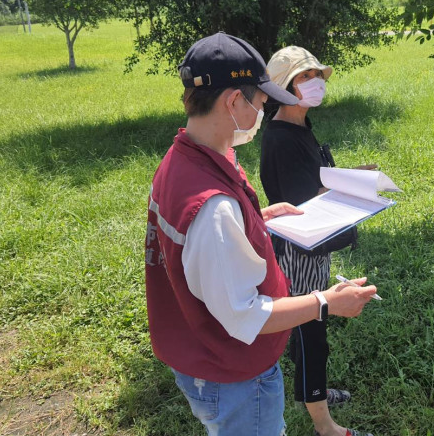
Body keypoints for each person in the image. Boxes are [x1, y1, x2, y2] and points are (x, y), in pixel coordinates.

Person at [144, 33, 377, 436]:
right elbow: (245, 314)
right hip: (232, 374)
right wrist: (326, 302)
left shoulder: (181, 161)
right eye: (260, 101)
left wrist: (256, 217)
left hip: (200, 356)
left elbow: (198, 245)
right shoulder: (214, 209)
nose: (263, 109)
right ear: (234, 102)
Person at [260, 46, 375, 436]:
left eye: (317, 76)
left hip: (312, 247)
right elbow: (304, 207)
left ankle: (316, 391)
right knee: (312, 329)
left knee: (311, 324)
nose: (316, 84)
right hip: (300, 249)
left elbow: (314, 181)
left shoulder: (298, 126)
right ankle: (324, 424)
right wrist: (349, 196)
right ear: (283, 88)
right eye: (304, 77)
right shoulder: (280, 139)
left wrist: (351, 177)